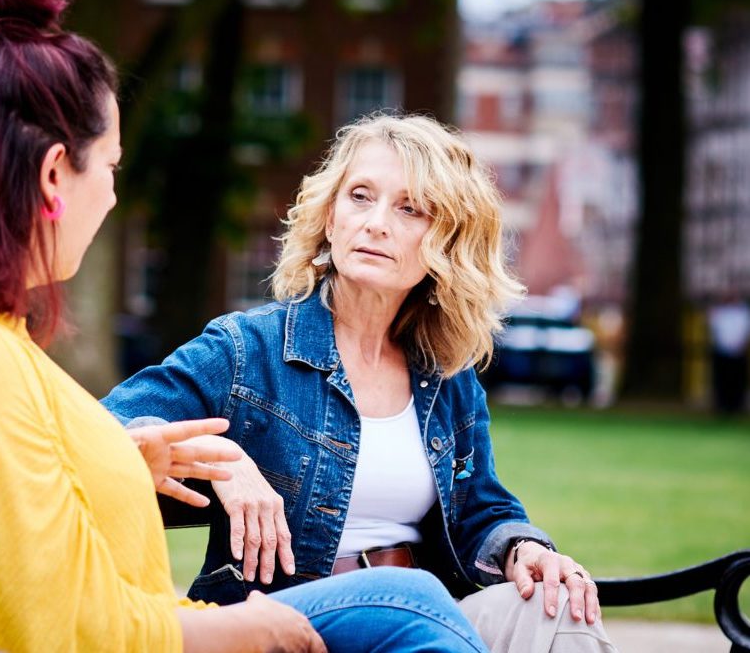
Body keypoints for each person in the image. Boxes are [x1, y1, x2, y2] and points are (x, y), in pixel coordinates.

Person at [0, 0, 486, 652]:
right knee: (414, 602)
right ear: (52, 177)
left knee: (417, 604)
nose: (109, 198)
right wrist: (239, 626)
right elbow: (61, 626)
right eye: (110, 167)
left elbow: (1, 516)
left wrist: (120, 456)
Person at [103, 115, 619, 652]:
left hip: (426, 619)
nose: (375, 223)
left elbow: (480, 508)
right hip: (292, 624)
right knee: (407, 592)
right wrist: (221, 456)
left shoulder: (447, 374)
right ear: (330, 217)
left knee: (555, 607)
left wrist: (523, 550)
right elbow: (99, 429)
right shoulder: (246, 348)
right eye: (360, 196)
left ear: (448, 241)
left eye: (409, 209)